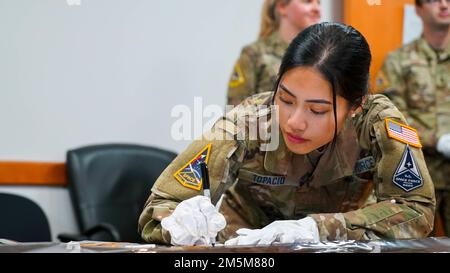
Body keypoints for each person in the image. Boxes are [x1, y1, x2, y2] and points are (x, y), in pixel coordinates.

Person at [138, 23, 436, 246]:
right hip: (244, 244)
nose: (294, 121)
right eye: (286, 99)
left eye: (317, 110)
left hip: (337, 245)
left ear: (356, 106)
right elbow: (159, 208)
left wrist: (319, 228)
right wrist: (179, 223)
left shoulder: (377, 124)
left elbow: (417, 210)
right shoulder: (248, 123)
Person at [374, 0, 449, 235]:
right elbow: (391, 120)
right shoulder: (399, 61)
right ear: (418, 9)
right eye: (434, 0)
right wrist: (437, 139)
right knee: (411, 244)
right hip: (414, 174)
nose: (444, 5)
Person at [226, 0, 321, 106]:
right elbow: (235, 113)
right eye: (307, 1)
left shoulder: (322, 56)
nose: (317, 9)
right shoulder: (255, 54)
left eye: (318, 3)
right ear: (282, 7)